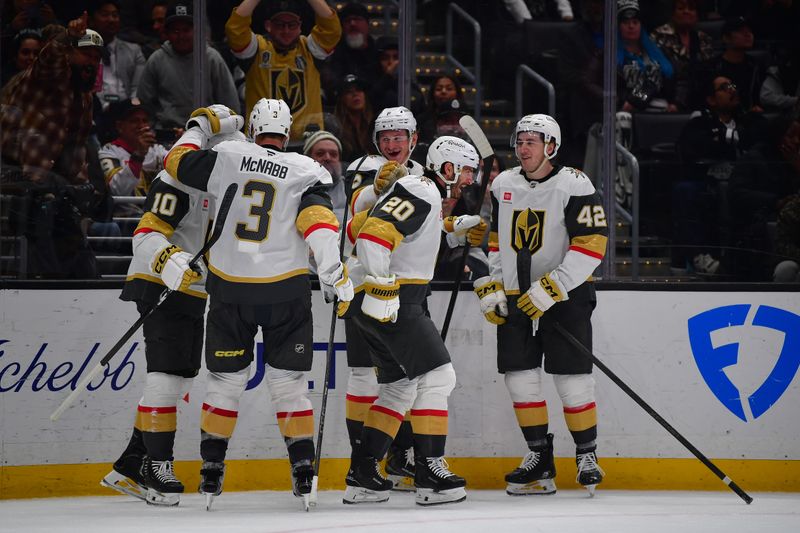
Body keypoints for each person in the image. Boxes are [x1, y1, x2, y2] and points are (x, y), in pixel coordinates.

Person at [163, 99, 353, 509]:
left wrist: (198, 126)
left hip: (231, 289)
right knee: (289, 386)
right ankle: (302, 468)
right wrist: (332, 270)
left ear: (252, 128)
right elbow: (318, 222)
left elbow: (175, 163)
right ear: (288, 133)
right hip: (286, 291)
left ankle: (212, 468)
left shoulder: (229, 154)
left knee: (225, 383)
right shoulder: (305, 170)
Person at [100, 129, 245, 506]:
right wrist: (169, 260)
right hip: (159, 282)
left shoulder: (224, 187)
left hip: (193, 289)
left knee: (180, 377)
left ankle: (132, 462)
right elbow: (146, 234)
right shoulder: (177, 179)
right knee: (164, 376)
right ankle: (156, 465)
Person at [338, 137, 485, 507]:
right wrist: (383, 285)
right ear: (448, 168)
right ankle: (430, 472)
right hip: (396, 298)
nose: (470, 180)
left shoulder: (422, 191)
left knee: (399, 387)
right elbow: (374, 235)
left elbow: (405, 232)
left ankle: (363, 475)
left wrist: (452, 228)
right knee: (438, 377)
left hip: (374, 298)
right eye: (467, 171)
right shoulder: (423, 189)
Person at [474, 114, 607, 496]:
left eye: (531, 141)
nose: (523, 148)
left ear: (551, 146)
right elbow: (497, 242)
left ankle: (586, 455)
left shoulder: (575, 183)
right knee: (519, 377)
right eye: (519, 141)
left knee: (572, 378)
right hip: (517, 297)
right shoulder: (504, 183)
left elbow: (592, 244)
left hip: (566, 296)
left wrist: (554, 286)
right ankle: (539, 457)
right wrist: (496, 286)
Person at [338, 106, 426, 491]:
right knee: (362, 373)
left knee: (407, 376)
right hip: (364, 284)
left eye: (399, 137)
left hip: (407, 287)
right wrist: (375, 189)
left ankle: (399, 455)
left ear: (413, 139)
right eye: (385, 137)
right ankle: (361, 458)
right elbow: (354, 213)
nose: (392, 144)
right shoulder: (364, 168)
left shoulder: (423, 175)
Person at [225, 0, 341, 141]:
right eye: (279, 25)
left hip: (307, 143)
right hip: (263, 143)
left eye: (292, 25)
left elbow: (332, 29)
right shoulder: (257, 49)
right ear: (268, 25)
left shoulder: (310, 49)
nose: (286, 31)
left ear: (300, 27)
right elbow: (235, 29)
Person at [137, 1, 240, 140]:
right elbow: (144, 104)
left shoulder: (212, 58)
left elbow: (230, 105)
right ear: (166, 33)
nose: (181, 36)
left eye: (186, 30)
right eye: (175, 31)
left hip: (208, 136)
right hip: (167, 136)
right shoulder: (157, 59)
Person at [98, 98, 168, 202]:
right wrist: (139, 155)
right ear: (120, 126)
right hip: (125, 211)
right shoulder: (108, 151)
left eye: (145, 121)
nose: (141, 126)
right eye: (134, 121)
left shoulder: (158, 150)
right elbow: (117, 190)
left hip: (156, 211)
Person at [651, 0, 715, 111]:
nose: (686, 12)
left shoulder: (704, 39)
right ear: (672, 13)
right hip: (668, 96)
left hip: (699, 97)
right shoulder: (659, 35)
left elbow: (709, 71)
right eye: (680, 8)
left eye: (691, 9)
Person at [617, 0, 677, 113]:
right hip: (626, 111)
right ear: (618, 26)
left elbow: (676, 79)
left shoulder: (659, 51)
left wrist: (675, 103)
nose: (631, 26)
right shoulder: (608, 55)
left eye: (635, 22)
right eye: (626, 22)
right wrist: (632, 101)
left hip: (661, 110)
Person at [87, 0, 145, 110]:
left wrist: (131, 109)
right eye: (104, 15)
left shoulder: (134, 51)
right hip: (94, 110)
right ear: (91, 21)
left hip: (126, 110)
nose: (111, 20)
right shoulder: (83, 51)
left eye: (115, 15)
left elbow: (137, 88)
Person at [320, 2, 381, 102]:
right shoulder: (332, 54)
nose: (352, 23)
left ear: (367, 24)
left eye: (357, 19)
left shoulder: (380, 53)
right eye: (348, 20)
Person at [303, 129, 346, 222]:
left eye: (333, 154)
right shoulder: (298, 189)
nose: (327, 158)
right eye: (320, 154)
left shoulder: (350, 188)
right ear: (308, 158)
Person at [333, 73, 374, 164]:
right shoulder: (336, 129)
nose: (355, 94)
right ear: (341, 98)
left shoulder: (374, 125)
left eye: (359, 90)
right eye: (349, 92)